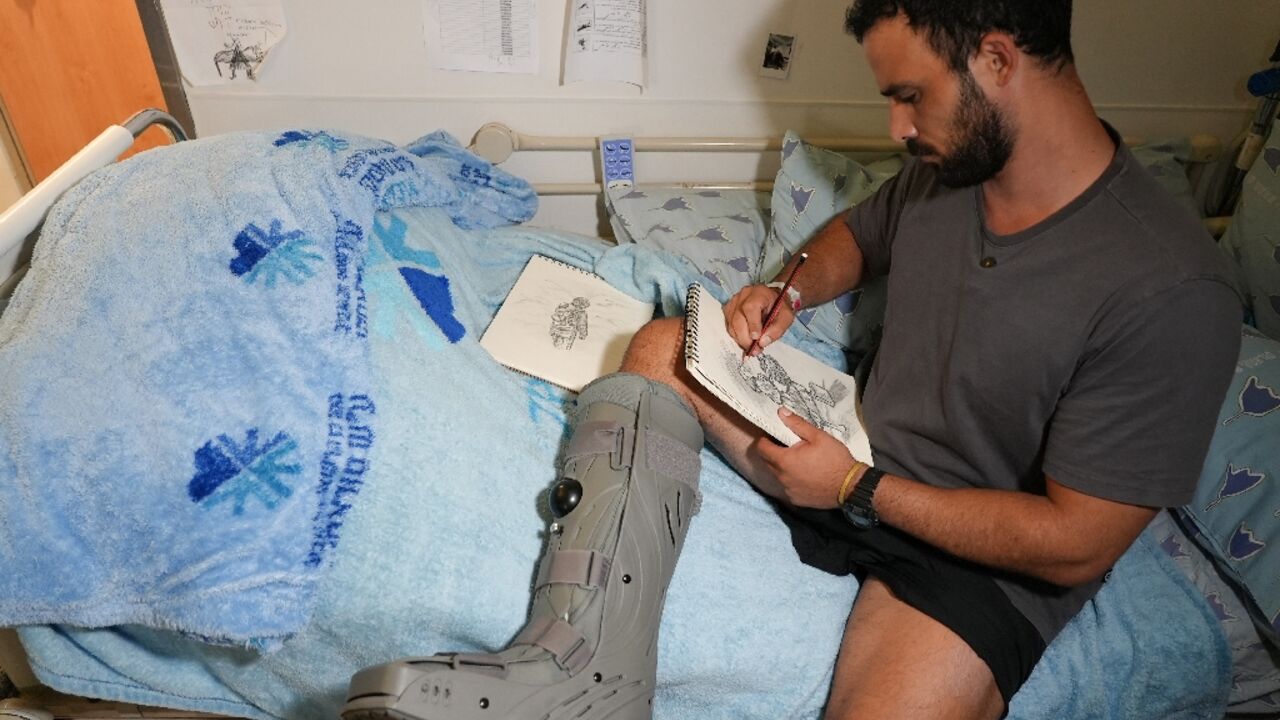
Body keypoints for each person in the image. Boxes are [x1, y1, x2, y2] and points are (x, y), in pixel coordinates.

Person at [342, 1, 1242, 718]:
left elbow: (1075, 546)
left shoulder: (1169, 289)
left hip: (975, 560)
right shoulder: (949, 171)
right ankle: (579, 668)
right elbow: (858, 233)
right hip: (848, 450)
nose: (896, 128)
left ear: (998, 60)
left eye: (909, 96)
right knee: (659, 347)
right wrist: (793, 288)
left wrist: (852, 489)